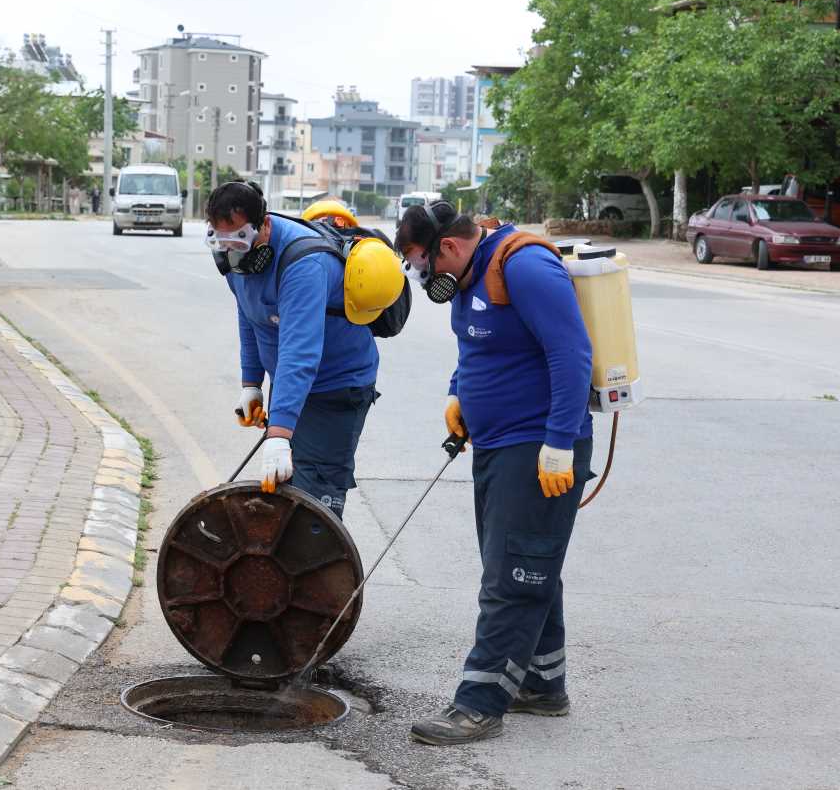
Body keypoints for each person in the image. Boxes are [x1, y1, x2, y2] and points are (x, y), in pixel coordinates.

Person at [394, 201, 594, 746]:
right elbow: (478, 346)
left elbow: (572, 353)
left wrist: (559, 443)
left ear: (449, 246)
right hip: (496, 445)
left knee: (513, 575)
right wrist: (458, 393)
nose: (422, 276)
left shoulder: (523, 266)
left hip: (537, 448)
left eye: (422, 263)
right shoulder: (468, 275)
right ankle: (542, 685)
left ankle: (478, 705)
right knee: (522, 564)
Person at [205, 181, 395, 518]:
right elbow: (250, 314)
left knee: (313, 503)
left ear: (264, 225)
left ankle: (326, 554)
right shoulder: (235, 258)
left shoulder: (304, 263)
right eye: (222, 241)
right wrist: (251, 383)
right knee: (282, 496)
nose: (232, 250)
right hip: (292, 385)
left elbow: (300, 353)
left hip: (336, 387)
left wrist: (279, 434)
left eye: (239, 240)